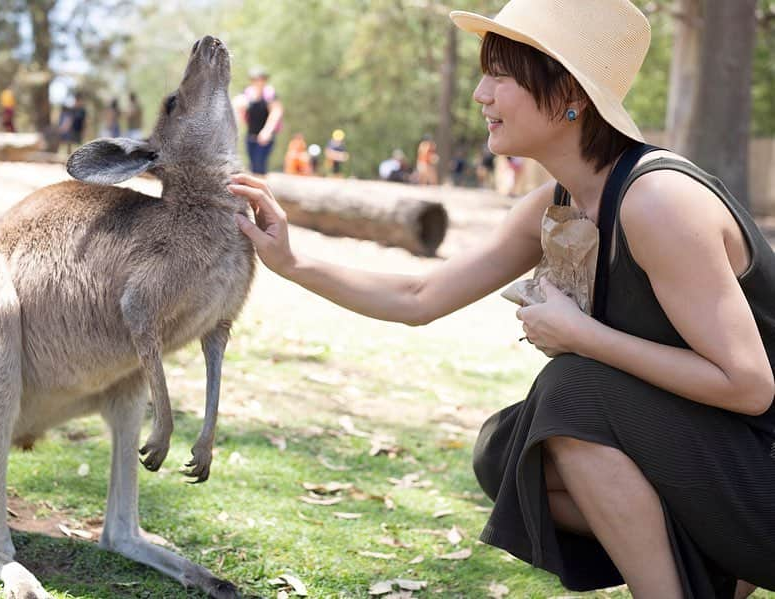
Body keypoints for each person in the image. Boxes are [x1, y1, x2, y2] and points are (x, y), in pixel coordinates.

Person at [227, 1, 775, 597]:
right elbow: (421, 295)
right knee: (509, 454)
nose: (480, 96)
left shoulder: (658, 202)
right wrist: (293, 261)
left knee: (573, 391)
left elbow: (748, 385)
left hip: (761, 479)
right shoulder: (562, 202)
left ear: (569, 92)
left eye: (501, 76)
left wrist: (583, 336)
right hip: (729, 468)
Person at [232, 67, 283, 175]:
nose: (258, 81)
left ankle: (261, 190)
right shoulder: (247, 94)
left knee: (260, 166)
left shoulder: (270, 94)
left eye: (261, 79)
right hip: (251, 135)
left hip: (265, 137)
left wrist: (267, 131)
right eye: (255, 79)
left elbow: (276, 112)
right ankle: (254, 189)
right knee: (253, 166)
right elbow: (237, 107)